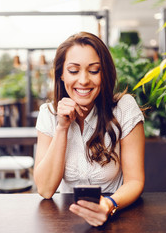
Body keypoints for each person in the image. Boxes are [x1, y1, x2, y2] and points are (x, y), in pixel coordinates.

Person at [34, 32, 145, 226]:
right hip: (66, 221)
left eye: (94, 71)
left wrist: (108, 205)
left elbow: (135, 180)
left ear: (105, 74)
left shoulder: (124, 108)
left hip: (116, 216)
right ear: (61, 73)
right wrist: (62, 128)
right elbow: (45, 189)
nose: (84, 80)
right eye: (74, 71)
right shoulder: (48, 113)